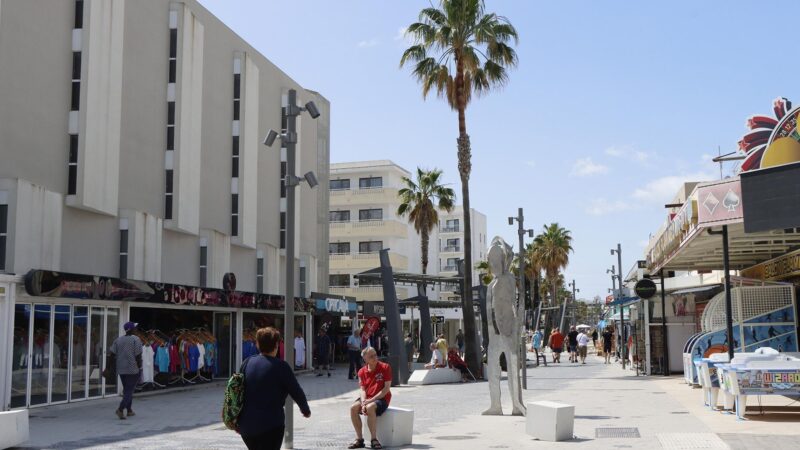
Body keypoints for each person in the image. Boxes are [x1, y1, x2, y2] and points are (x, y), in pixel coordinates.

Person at [238, 327, 311, 450]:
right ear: (276, 345)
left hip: (247, 426)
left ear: (257, 344)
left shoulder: (246, 363)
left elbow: (237, 390)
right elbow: (295, 390)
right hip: (271, 425)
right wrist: (305, 409)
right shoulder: (281, 367)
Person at [349, 347, 391, 449]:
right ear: (365, 359)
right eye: (371, 356)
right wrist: (363, 402)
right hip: (367, 398)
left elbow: (386, 389)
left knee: (370, 407)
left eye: (375, 355)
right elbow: (362, 390)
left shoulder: (385, 367)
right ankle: (359, 439)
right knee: (353, 408)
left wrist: (368, 402)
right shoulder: (361, 372)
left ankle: (374, 439)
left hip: (382, 398)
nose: (375, 358)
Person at [109, 321, 143, 420]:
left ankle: (129, 410)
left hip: (121, 369)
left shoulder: (118, 340)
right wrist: (140, 366)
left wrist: (108, 368)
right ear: (131, 329)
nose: (136, 330)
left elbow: (111, 355)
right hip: (133, 369)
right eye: (135, 328)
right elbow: (138, 355)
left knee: (127, 389)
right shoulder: (136, 339)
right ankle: (120, 409)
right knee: (129, 390)